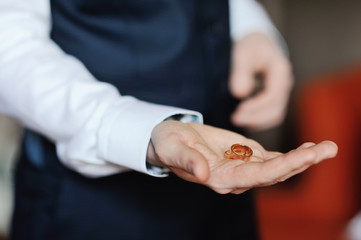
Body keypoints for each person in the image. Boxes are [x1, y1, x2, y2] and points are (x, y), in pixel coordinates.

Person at [0, 0, 338, 239]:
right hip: (90, 211)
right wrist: (136, 131)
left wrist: (252, 29)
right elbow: (9, 46)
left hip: (228, 203)